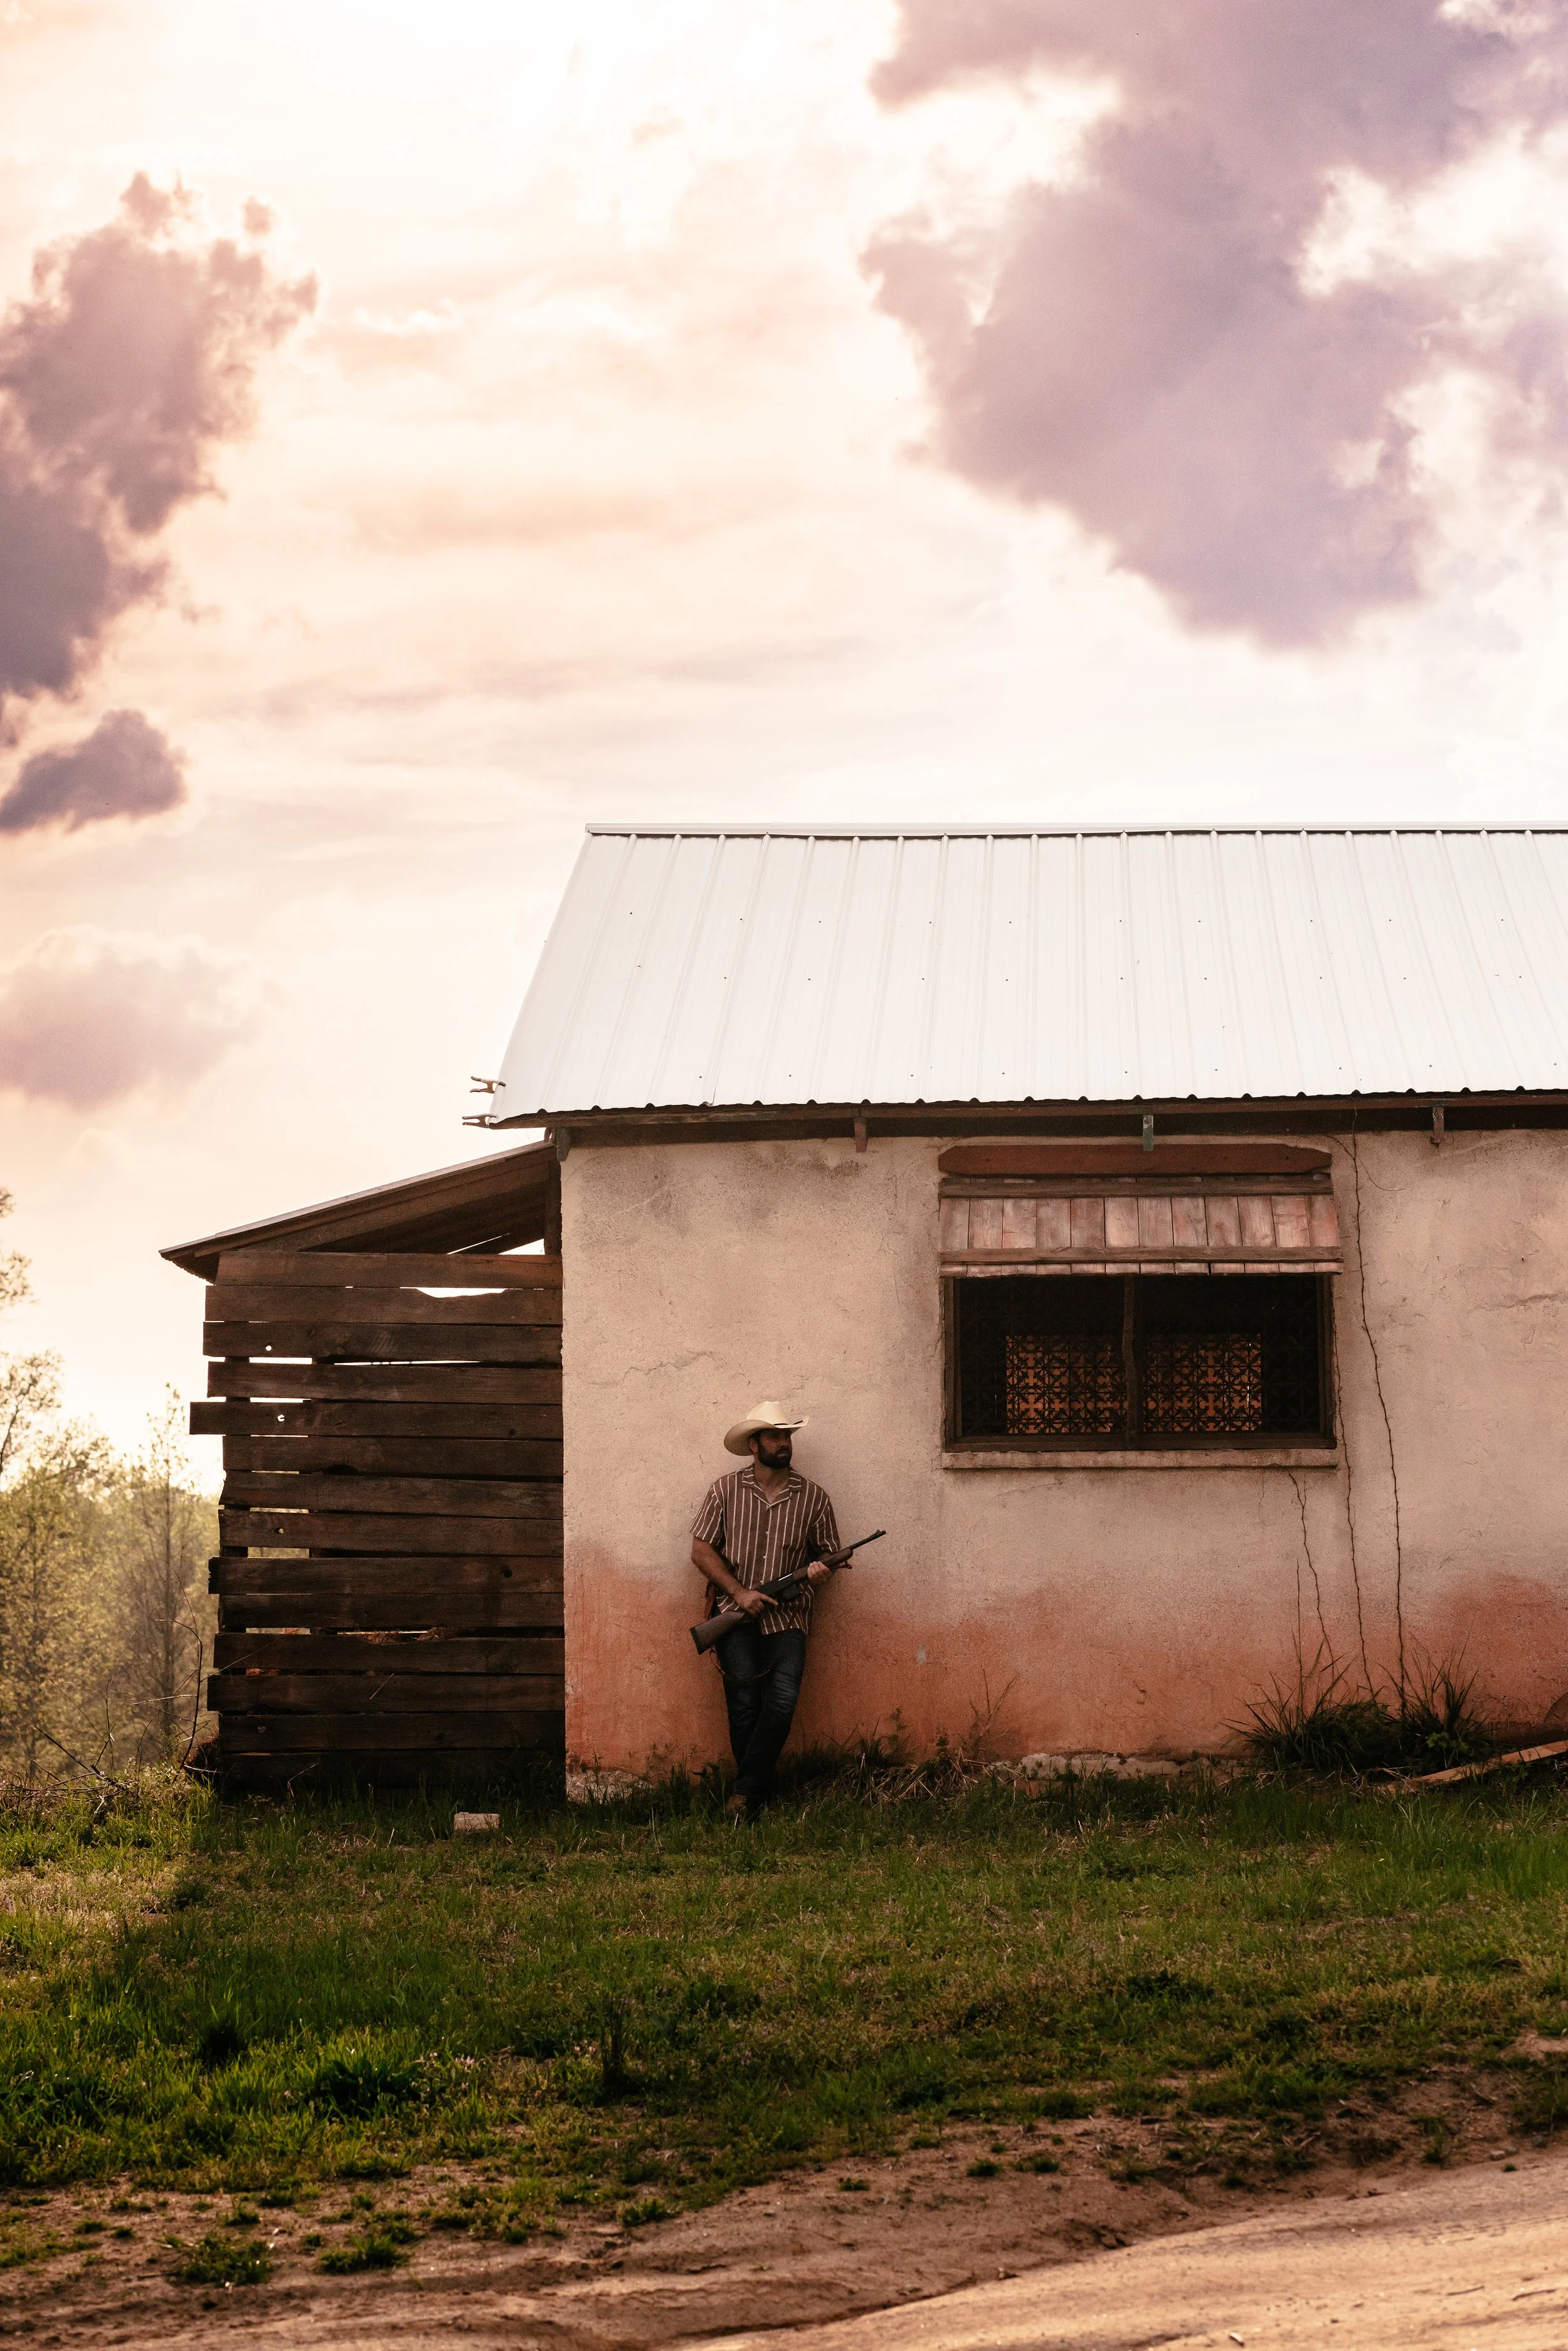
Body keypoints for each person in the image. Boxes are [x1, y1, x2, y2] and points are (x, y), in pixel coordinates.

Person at [691, 1401, 847, 1820]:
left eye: (788, 1436)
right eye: (775, 1436)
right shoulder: (724, 1490)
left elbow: (830, 1556)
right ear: (754, 1443)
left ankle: (745, 1794)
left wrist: (818, 1574)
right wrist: (740, 1594)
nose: (783, 1443)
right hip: (734, 1614)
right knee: (743, 1707)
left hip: (789, 1617)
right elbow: (701, 1550)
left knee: (780, 1704)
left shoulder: (813, 1497)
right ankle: (753, 1798)